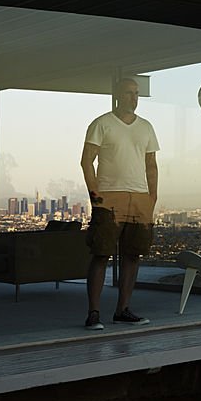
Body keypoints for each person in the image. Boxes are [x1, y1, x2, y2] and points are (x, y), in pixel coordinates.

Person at [80, 77, 159, 330]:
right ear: (118, 95)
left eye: (136, 93)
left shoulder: (146, 127)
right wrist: (95, 195)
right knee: (101, 253)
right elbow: (86, 161)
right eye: (129, 93)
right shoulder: (101, 124)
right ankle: (93, 313)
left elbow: (151, 165)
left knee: (132, 254)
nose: (134, 98)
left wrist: (152, 197)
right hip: (109, 197)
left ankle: (122, 310)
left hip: (139, 198)